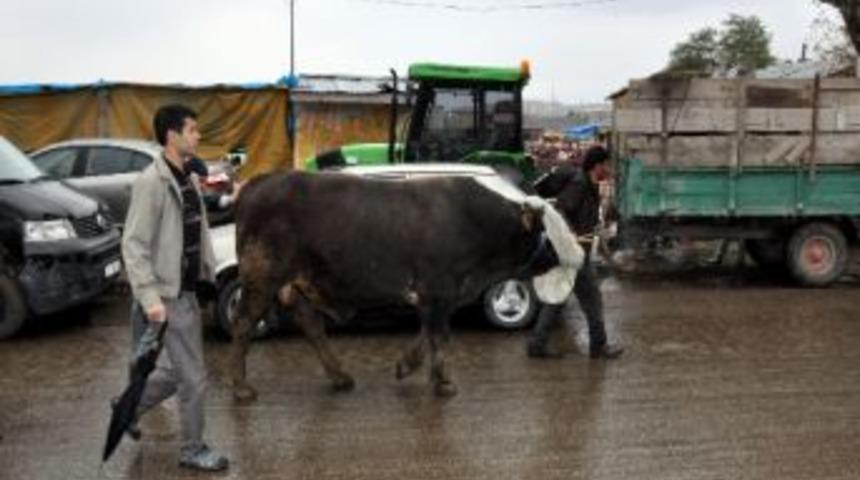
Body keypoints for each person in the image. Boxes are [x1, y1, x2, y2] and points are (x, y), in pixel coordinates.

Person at [122, 104, 229, 471]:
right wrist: (151, 300)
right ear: (172, 135)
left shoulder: (185, 177)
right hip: (165, 297)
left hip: (184, 292)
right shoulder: (152, 182)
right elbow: (133, 245)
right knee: (194, 378)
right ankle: (192, 448)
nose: (198, 136)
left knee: (176, 372)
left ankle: (127, 406)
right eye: (193, 129)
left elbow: (192, 230)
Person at [526, 144, 624, 360]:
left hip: (577, 252)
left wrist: (598, 226)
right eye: (607, 164)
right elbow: (560, 210)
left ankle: (537, 344)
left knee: (558, 298)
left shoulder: (591, 184)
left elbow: (589, 213)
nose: (609, 169)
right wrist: (570, 237)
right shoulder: (579, 184)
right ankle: (599, 347)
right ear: (597, 165)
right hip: (574, 253)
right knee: (592, 300)